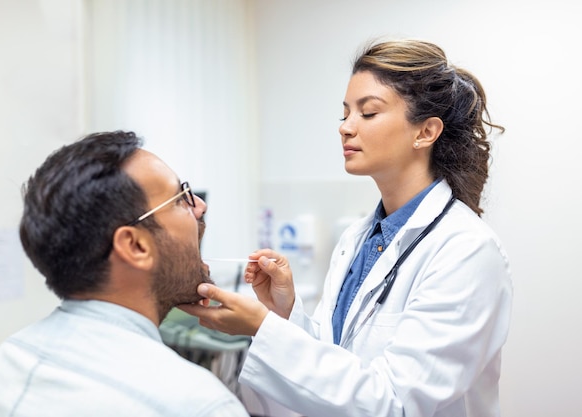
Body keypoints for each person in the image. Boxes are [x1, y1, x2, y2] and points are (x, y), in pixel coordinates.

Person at [179, 39, 513, 417]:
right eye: (345, 114)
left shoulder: (466, 251)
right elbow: (337, 363)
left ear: (425, 132)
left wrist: (265, 330)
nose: (346, 128)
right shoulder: (357, 239)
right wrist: (284, 317)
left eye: (368, 114)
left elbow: (396, 405)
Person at [0, 131, 249, 417]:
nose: (200, 207)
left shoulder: (6, 361)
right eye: (179, 199)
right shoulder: (199, 404)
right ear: (135, 246)